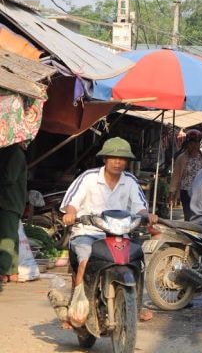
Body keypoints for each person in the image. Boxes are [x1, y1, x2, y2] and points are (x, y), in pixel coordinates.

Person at [60, 137, 158, 322]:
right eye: (113, 157)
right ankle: (77, 306)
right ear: (104, 159)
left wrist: (147, 215)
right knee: (86, 260)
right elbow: (71, 203)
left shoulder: (129, 181)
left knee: (137, 260)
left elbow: (140, 207)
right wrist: (71, 213)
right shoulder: (88, 177)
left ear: (127, 162)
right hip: (87, 232)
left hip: (119, 234)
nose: (118, 162)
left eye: (122, 158)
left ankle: (136, 304)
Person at [0, 143, 27, 290]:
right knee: (10, 235)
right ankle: (12, 271)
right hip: (9, 201)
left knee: (6, 237)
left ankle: (4, 271)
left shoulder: (15, 153)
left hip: (9, 201)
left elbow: (8, 178)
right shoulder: (10, 152)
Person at [169, 129, 202, 221]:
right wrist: (171, 193)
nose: (193, 145)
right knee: (189, 217)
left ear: (199, 143)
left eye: (196, 142)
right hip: (186, 192)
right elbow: (176, 176)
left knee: (200, 217)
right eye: (191, 143)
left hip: (201, 193)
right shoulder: (181, 158)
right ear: (187, 143)